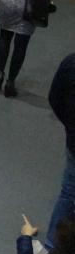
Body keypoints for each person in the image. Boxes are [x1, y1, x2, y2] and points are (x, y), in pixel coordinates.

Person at [51, 52, 75, 237]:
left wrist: (69, 125)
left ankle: (52, 243)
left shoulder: (71, 62)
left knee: (67, 193)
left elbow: (54, 97)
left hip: (73, 143)